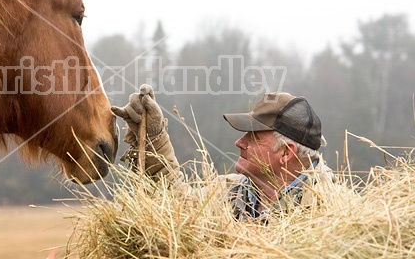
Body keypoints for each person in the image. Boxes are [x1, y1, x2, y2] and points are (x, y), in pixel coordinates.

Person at [111, 85, 333, 220]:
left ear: (286, 153)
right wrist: (152, 138)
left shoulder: (329, 212)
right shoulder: (227, 192)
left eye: (253, 136)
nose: (239, 142)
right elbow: (174, 209)